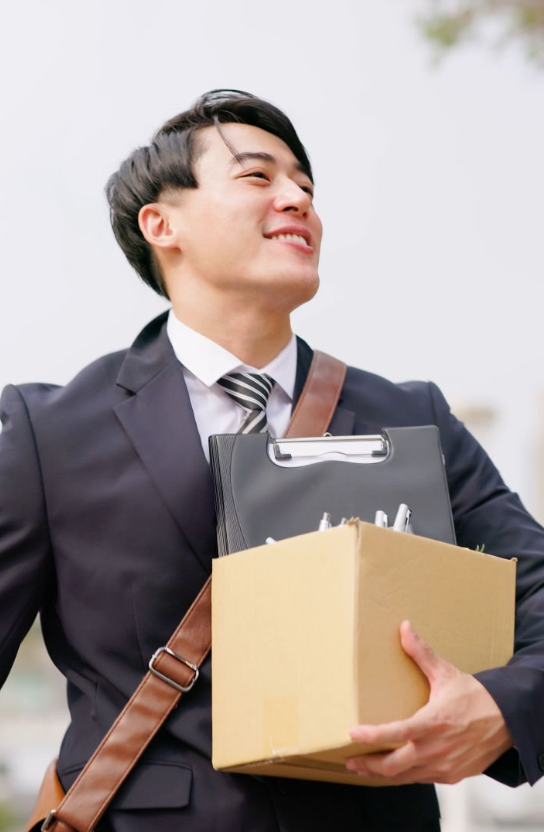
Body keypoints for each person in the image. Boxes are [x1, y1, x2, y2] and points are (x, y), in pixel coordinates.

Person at [1, 89, 544, 832]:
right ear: (161, 224)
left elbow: (537, 591)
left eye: (306, 187)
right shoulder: (47, 433)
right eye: (258, 177)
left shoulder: (414, 418)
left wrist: (504, 708)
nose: (297, 198)